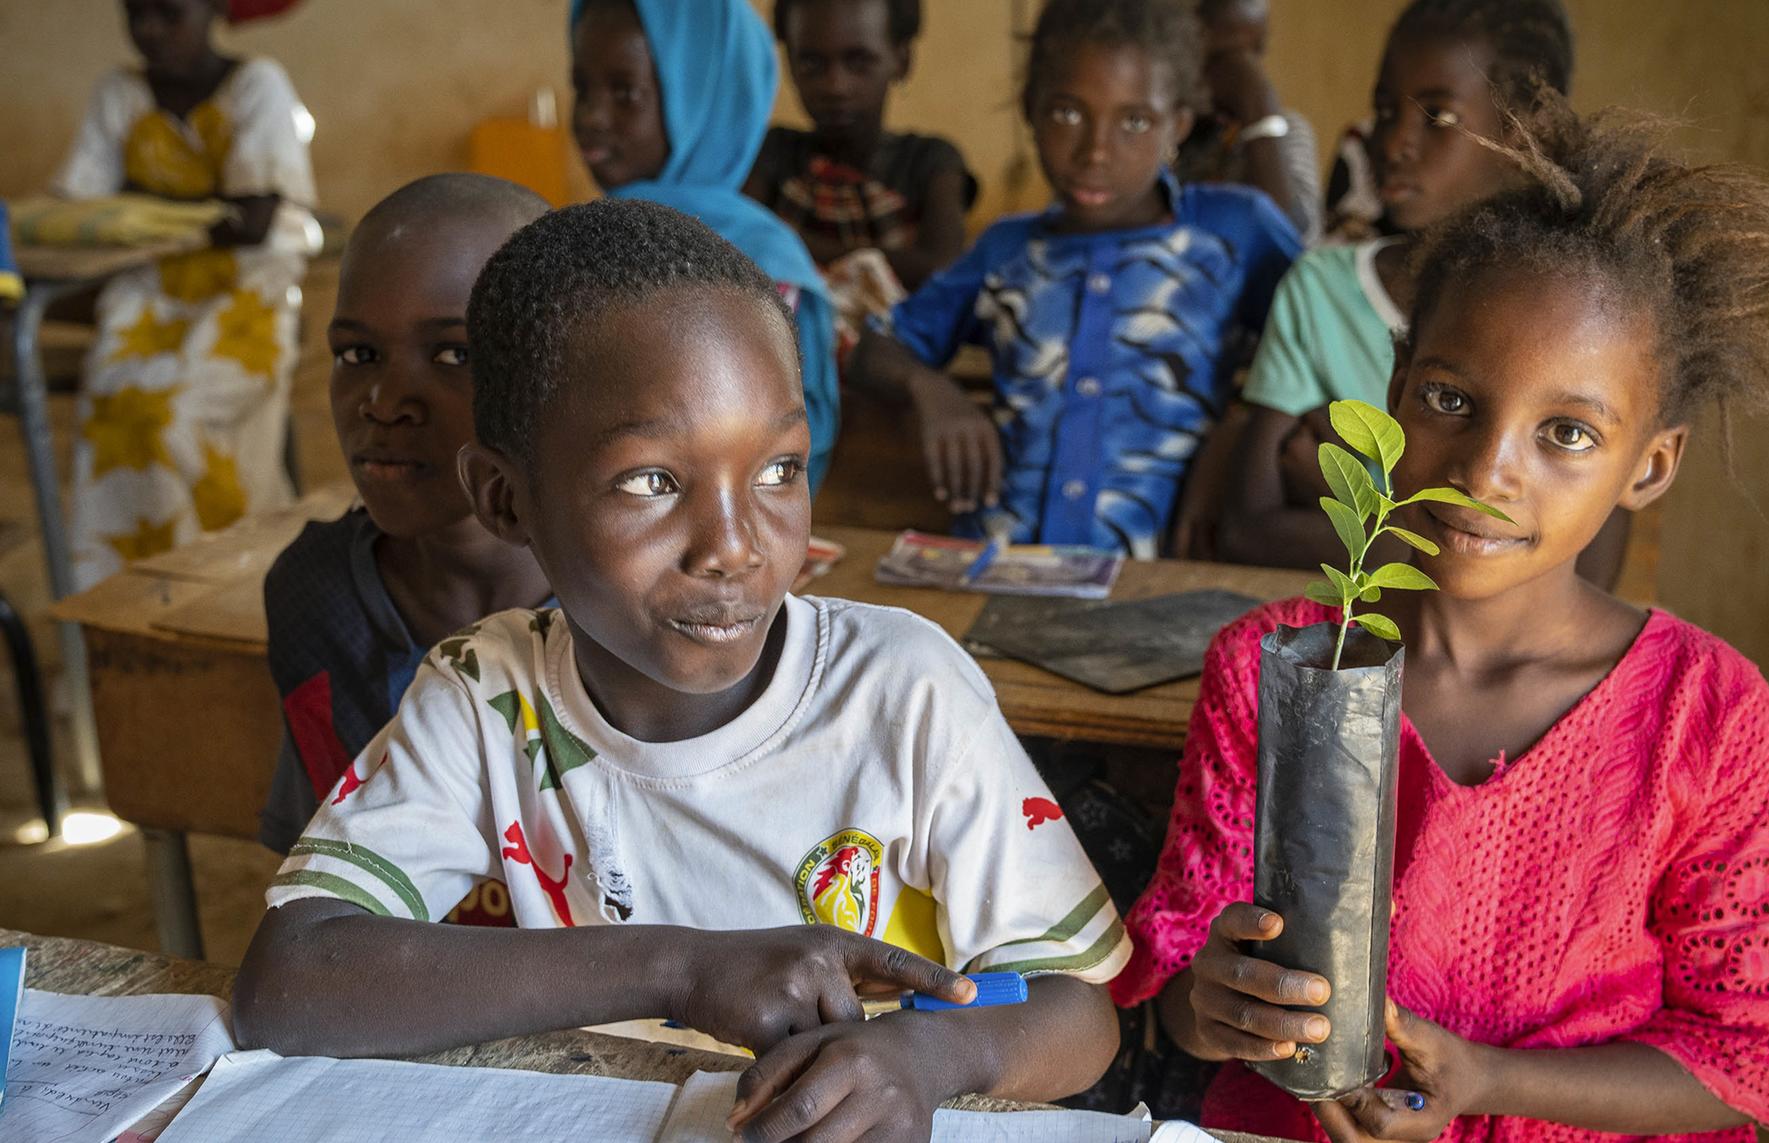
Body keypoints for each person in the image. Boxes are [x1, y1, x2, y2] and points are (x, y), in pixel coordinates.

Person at [233, 200, 1128, 1142]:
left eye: (778, 469)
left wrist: (930, 1058)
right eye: (652, 481)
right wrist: (681, 968)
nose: (735, 548)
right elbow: (289, 982)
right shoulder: (489, 695)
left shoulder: (903, 689)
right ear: (504, 496)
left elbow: (1079, 1011)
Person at [1116, 98, 1769, 1142]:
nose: (1482, 471)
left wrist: (1482, 1082)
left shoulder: (1704, 712)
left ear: (1649, 464)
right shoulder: (1275, 667)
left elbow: (1745, 1063)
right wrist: (1217, 1005)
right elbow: (1183, 996)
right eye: (1450, 400)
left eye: (1563, 432)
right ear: (1394, 391)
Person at [849, 0, 1301, 559]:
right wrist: (933, 391)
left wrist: (1232, 438)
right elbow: (875, 348)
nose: (1095, 152)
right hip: (1001, 570)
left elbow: (1318, 340)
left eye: (1134, 121)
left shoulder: (1235, 232)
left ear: (1178, 125)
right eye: (1067, 113)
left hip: (1156, 583)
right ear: (1030, 110)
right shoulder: (1006, 250)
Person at [1217, 0, 1587, 573]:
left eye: (1437, 117)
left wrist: (1358, 509)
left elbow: (1585, 571)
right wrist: (1472, 544)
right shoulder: (1323, 290)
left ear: (1525, 131)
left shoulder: (1576, 315)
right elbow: (1246, 530)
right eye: (1386, 111)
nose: (1393, 143)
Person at [258, 174, 552, 867]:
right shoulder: (317, 598)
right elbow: (322, 891)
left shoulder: (629, 611)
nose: (384, 402)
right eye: (357, 355)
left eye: (455, 355)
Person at [54, 0, 319, 587]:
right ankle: (135, 596)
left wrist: (139, 202)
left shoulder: (258, 84)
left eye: (169, 14)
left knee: (176, 417)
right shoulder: (117, 92)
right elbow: (82, 213)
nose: (149, 30)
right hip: (147, 295)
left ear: (215, 10)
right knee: (110, 415)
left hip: (246, 291)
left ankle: (219, 584)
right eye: (136, 14)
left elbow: (254, 221)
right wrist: (199, 212)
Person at [569, 0, 840, 492]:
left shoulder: (761, 259)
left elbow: (785, 448)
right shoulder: (574, 243)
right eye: (581, 89)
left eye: (624, 93)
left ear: (704, 101)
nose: (591, 116)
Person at [749, 0, 975, 292]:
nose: (835, 86)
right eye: (811, 63)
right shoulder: (770, 151)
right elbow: (738, 243)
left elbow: (942, 268)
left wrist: (788, 246)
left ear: (902, 60)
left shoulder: (930, 161)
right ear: (788, 63)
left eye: (858, 62)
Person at [1176, 0, 1323, 244]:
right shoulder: (1162, 130)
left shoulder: (1286, 130)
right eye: (1226, 58)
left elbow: (1297, 245)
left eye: (1256, 51)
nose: (1246, 72)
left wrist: (1259, 111)